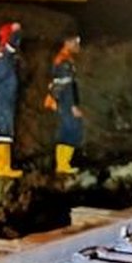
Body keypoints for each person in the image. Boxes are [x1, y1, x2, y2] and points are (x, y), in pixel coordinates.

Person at [0, 22, 24, 178]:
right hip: (3, 99)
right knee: (4, 132)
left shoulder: (3, 55)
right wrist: (15, 30)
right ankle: (3, 168)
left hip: (2, 97)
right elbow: (0, 77)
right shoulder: (4, 55)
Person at [45, 34, 83, 175]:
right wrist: (73, 106)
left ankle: (62, 164)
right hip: (66, 102)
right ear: (67, 42)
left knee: (67, 129)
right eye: (75, 42)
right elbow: (65, 86)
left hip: (64, 101)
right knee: (71, 129)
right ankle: (63, 165)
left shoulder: (64, 59)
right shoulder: (64, 61)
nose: (78, 45)